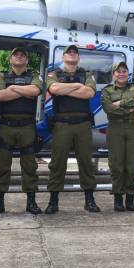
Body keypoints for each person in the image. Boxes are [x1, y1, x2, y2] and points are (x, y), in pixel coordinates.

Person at [0, 46, 43, 215]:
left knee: (29, 165)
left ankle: (31, 202)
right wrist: (24, 92)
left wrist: (12, 88)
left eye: (22, 55)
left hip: (27, 126)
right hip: (6, 125)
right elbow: (0, 96)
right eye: (16, 55)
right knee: (2, 165)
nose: (19, 57)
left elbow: (35, 91)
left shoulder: (34, 76)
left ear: (27, 60)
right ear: (10, 59)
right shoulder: (0, 76)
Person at [46, 45, 97, 213]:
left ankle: (89, 199)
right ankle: (53, 201)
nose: (72, 54)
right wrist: (77, 86)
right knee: (57, 163)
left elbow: (89, 93)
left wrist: (65, 89)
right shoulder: (54, 74)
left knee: (86, 163)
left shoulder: (87, 74)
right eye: (69, 52)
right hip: (62, 124)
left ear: (79, 58)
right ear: (63, 56)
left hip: (82, 124)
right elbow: (54, 89)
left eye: (75, 52)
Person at [101, 61, 134, 212]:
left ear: (128, 74)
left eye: (124, 71)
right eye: (118, 71)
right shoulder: (107, 91)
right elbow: (108, 109)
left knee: (133, 165)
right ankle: (118, 199)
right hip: (115, 129)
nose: (121, 73)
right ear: (114, 74)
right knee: (117, 165)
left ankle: (130, 199)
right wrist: (129, 108)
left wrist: (119, 103)